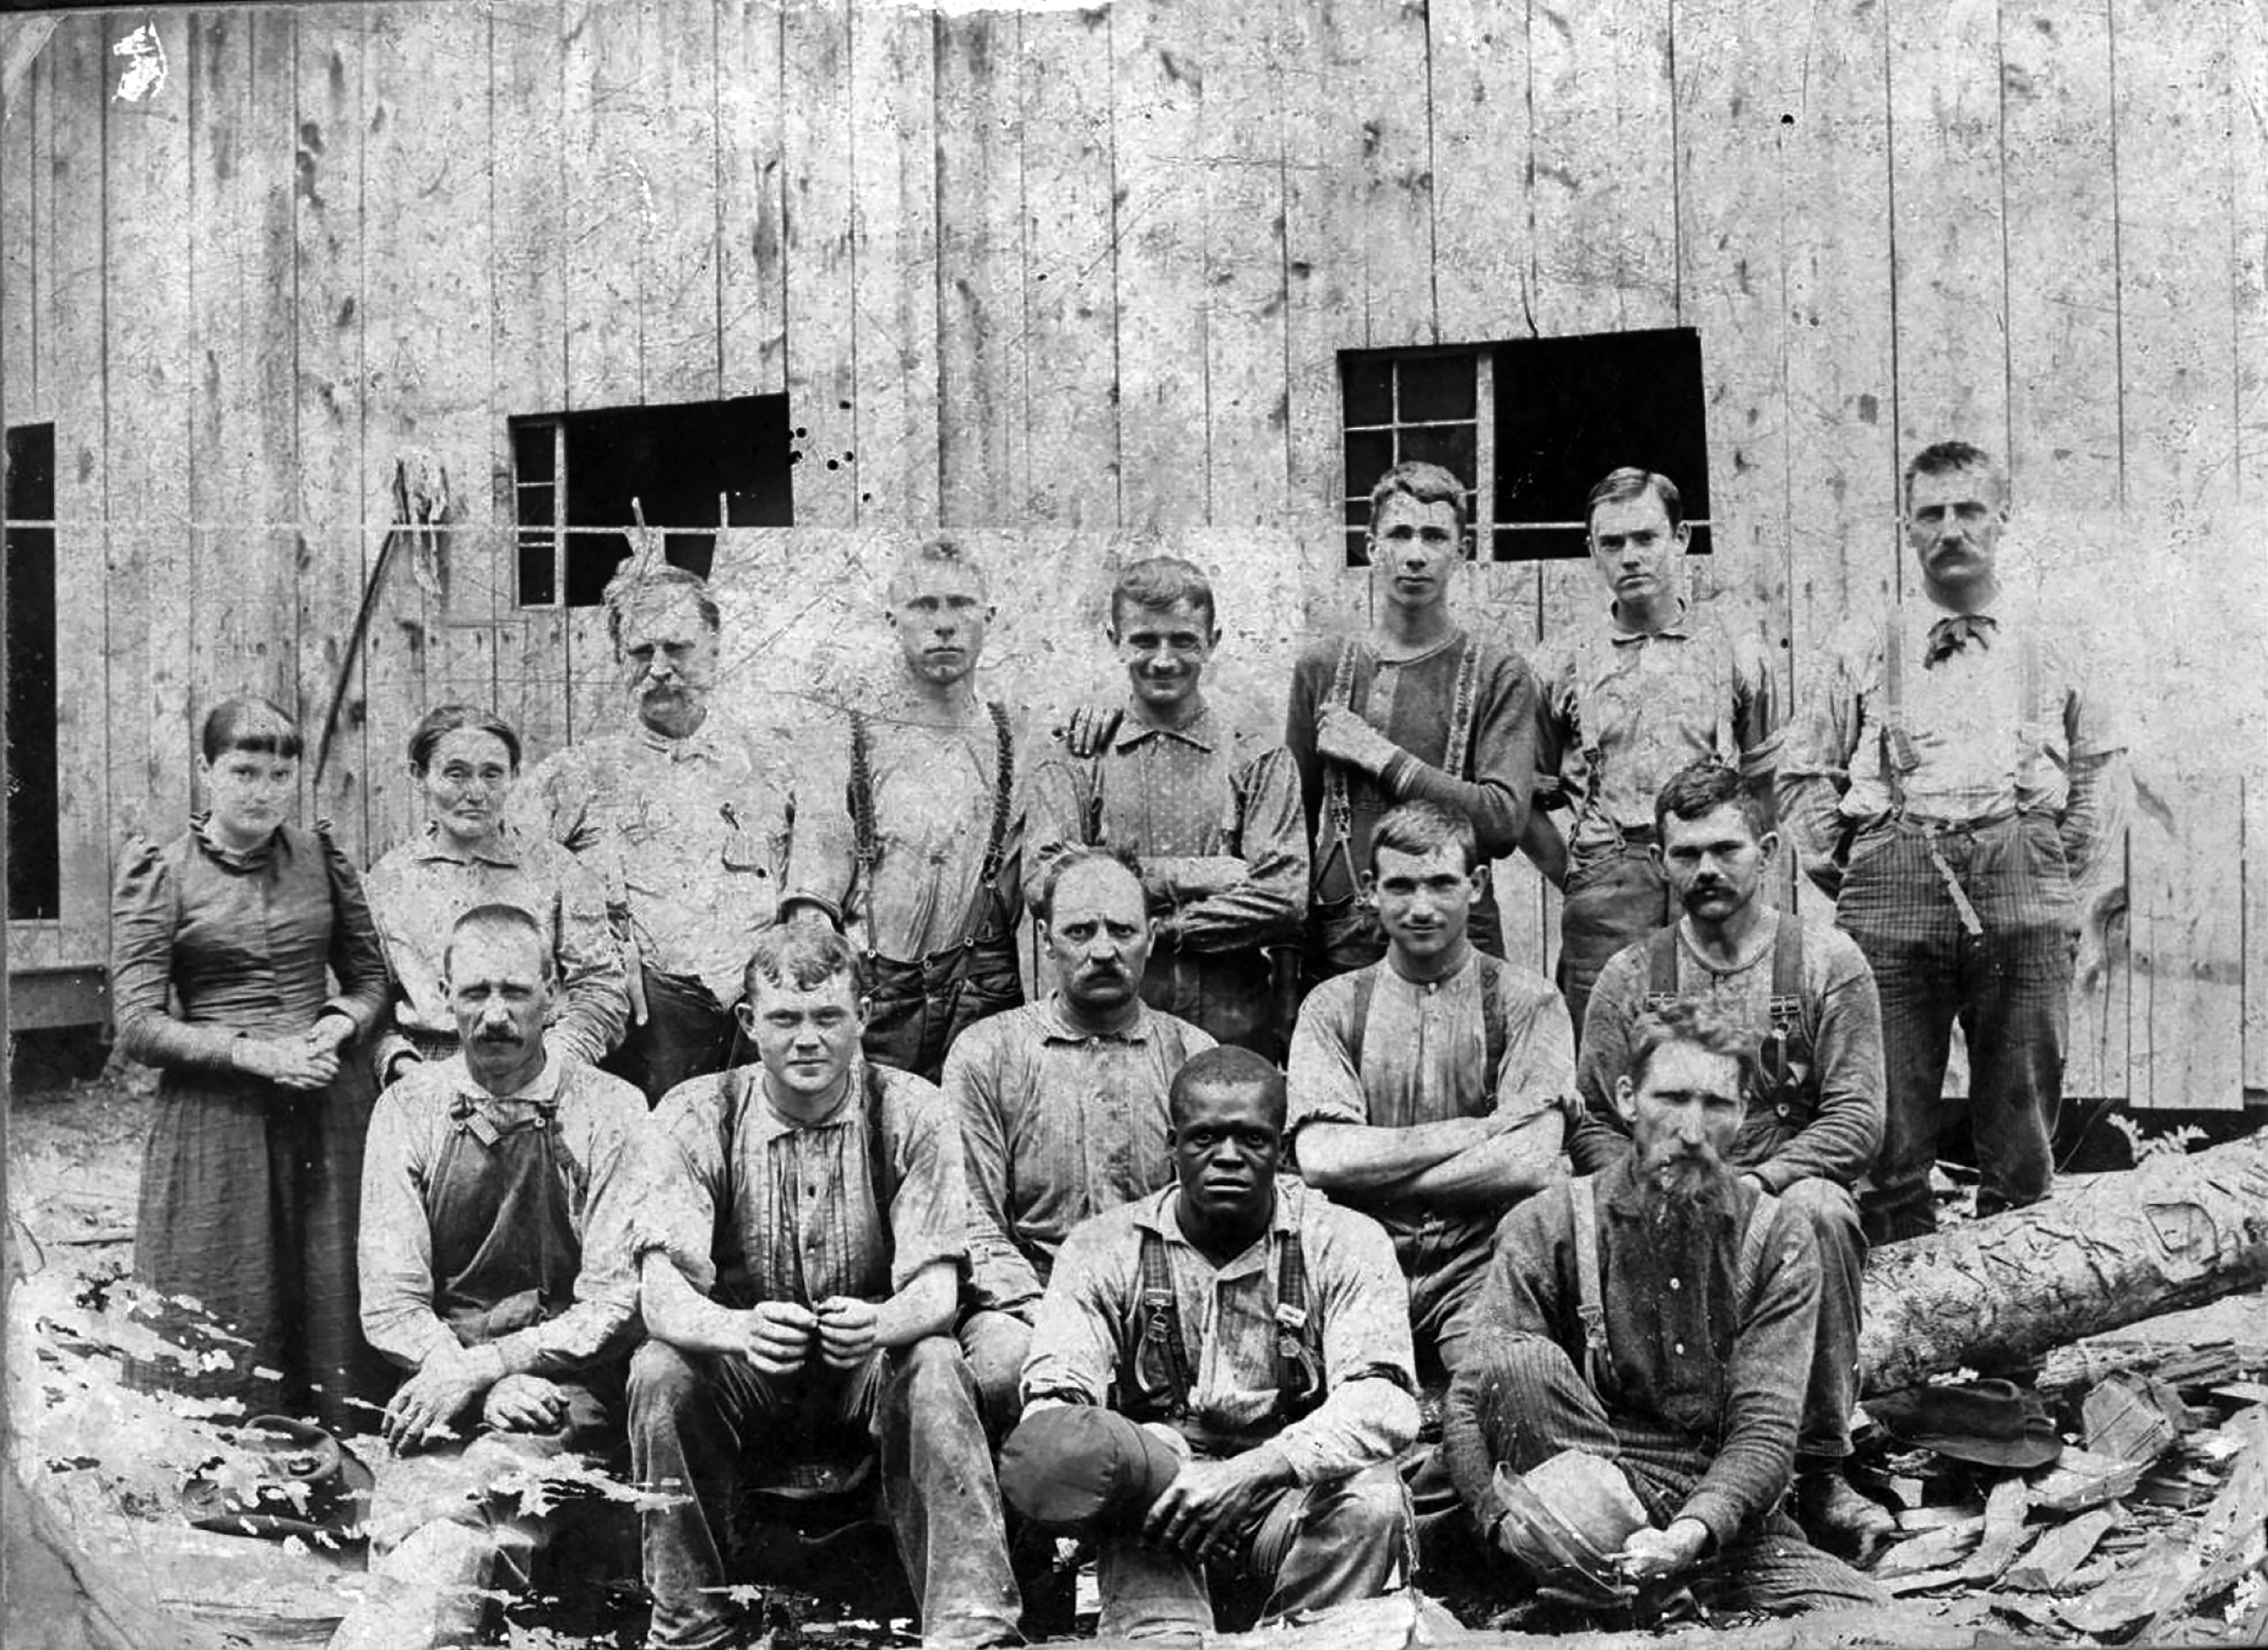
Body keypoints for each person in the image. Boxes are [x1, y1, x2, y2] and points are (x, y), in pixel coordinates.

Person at [626, 924, 1021, 1650]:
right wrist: (738, 1330)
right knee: (659, 1371)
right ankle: (688, 1628)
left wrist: (879, 1324)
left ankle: (971, 1628)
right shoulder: (694, 1113)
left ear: (862, 1016)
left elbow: (936, 1291)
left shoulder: (913, 1108)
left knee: (937, 1361)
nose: (807, 1040)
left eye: (828, 1017)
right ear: (749, 1022)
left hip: (867, 1369)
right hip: (747, 1371)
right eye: (784, 1019)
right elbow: (661, 1295)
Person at [1778, 440, 2129, 1242]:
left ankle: (2018, 1301)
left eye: (1969, 509)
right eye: (1930, 513)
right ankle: (1901, 1294)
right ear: (1907, 527)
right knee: (1887, 1118)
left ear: (2002, 518)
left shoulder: (2055, 633)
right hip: (1893, 890)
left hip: (2023, 886)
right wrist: (1858, 871)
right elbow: (1803, 773)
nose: (1950, 529)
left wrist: (2052, 880)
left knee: (2022, 1116)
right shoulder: (1867, 638)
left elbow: (2102, 771)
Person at [1443, 1001, 1887, 1618]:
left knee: (1864, 1615)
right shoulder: (1548, 1223)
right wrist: (1500, 1525)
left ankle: (1630, 1598)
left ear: (1744, 1112)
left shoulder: (1776, 1236)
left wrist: (1688, 1534)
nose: (1692, 1131)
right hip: (1573, 1501)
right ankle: (1597, 1587)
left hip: (1707, 1512)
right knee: (1518, 1364)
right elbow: (1468, 1401)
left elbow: (1765, 1429)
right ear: (1628, 1099)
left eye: (1716, 1104)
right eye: (1672, 1099)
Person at [1570, 761, 1893, 1560]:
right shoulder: (1630, 976)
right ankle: (1656, 1457)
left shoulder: (1826, 962)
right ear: (1660, 862)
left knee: (1821, 1212)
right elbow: (1595, 1122)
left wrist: (1757, 1186)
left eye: (1726, 850)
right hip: (1661, 1199)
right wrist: (1645, 1193)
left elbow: (1857, 1119)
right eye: (1686, 854)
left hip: (1776, 1195)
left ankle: (1820, 1468)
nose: (1706, 870)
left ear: (1769, 852)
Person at [1011, 1046, 1420, 1641]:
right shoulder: (1102, 1247)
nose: (1228, 1156)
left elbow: (1385, 1399)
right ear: (1171, 1145)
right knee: (1121, 1463)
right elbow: (1052, 1403)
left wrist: (1255, 1471)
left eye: (1252, 1139)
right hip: (1165, 1507)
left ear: (1282, 1151)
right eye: (1204, 1138)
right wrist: (1151, 1461)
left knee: (1374, 1499)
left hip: (1290, 1495)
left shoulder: (1345, 1240)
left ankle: (1307, 1636)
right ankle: (1163, 1631)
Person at [335, 905, 644, 1650]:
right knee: (415, 1516)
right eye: (475, 992)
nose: (496, 1015)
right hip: (437, 1380)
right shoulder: (408, 1108)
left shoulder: (611, 1109)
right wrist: (472, 1378)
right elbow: (392, 1302)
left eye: (516, 992)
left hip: (562, 1390)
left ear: (554, 995)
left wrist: (497, 1368)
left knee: (474, 1510)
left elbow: (616, 1301)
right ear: (444, 997)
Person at [110, 694, 389, 1432]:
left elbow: (370, 978)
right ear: (206, 771)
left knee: (331, 1280)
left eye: (278, 775)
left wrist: (338, 1023)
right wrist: (255, 1054)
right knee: (228, 1278)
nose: (262, 792)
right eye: (243, 772)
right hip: (219, 1111)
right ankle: (225, 1445)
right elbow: (137, 1024)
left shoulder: (322, 859)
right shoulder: (160, 872)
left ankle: (338, 1440)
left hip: (327, 1098)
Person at [517, 565, 851, 1104]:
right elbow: (509, 874)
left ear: (714, 650)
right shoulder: (577, 774)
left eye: (677, 648)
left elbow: (824, 866)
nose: (658, 669)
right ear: (617, 659)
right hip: (649, 1035)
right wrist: (591, 955)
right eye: (640, 652)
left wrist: (804, 929)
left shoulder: (774, 762)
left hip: (764, 1028)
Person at [1287, 800, 1572, 1380]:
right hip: (1361, 1253)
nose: (1421, 908)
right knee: (1353, 1394)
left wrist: (1379, 1173)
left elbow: (1529, 1160)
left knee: (1494, 1381)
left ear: (1476, 885)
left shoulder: (1530, 1001)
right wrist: (1475, 1132)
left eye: (1442, 884)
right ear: (1370, 889)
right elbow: (1320, 1159)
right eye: (1401, 886)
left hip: (1480, 1256)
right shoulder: (1332, 1005)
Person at [948, 846, 1215, 1434]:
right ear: (1046, 939)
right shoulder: (987, 1053)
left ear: (1151, 937)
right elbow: (971, 1218)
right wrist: (1048, 1313)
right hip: (1029, 1304)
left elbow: (1217, 1219)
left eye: (1122, 930)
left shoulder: (1194, 1057)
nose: (1102, 950)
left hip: (1162, 1304)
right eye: (1079, 931)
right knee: (1005, 1366)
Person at [1524, 468, 1781, 1039]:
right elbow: (1522, 800)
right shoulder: (1562, 660)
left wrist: (1737, 866)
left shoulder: (1735, 649)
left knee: (1722, 1048)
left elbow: (1765, 781)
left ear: (1680, 538)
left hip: (1711, 878)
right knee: (1606, 1049)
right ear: (1592, 550)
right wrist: (1581, 878)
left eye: (1646, 538)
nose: (1631, 557)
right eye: (1612, 543)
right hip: (1609, 890)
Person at [1022, 557, 1307, 1055]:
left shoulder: (1256, 753)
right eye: (1144, 641)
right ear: (1115, 641)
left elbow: (1283, 897)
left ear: (1212, 642)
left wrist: (1158, 929)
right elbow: (1045, 883)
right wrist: (1200, 875)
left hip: (1230, 1022)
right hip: (1104, 1026)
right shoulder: (1078, 753)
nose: (1163, 660)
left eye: (1183, 641)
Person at [1285, 461, 1539, 979]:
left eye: (1434, 536)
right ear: (1372, 547)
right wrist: (1288, 961)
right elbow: (1292, 827)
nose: (1416, 554)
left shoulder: (1498, 671)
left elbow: (1502, 822)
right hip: (1341, 939)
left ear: (1461, 551)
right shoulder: (1321, 667)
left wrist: (1377, 754)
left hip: (1457, 937)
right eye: (1399, 534)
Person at [799, 536, 1022, 1080]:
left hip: (983, 999)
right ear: (892, 620)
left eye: (960, 604)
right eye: (924, 606)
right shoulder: (850, 737)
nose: (943, 624)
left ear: (988, 617)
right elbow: (811, 903)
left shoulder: (1017, 735)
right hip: (877, 1004)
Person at [364, 704, 627, 1085]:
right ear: (420, 776)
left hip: (542, 1064)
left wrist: (549, 1064)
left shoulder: (556, 870)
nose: (476, 793)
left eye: (492, 774)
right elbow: (371, 1001)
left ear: (514, 776)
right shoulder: (387, 880)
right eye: (456, 774)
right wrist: (407, 1068)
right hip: (428, 1072)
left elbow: (601, 988)